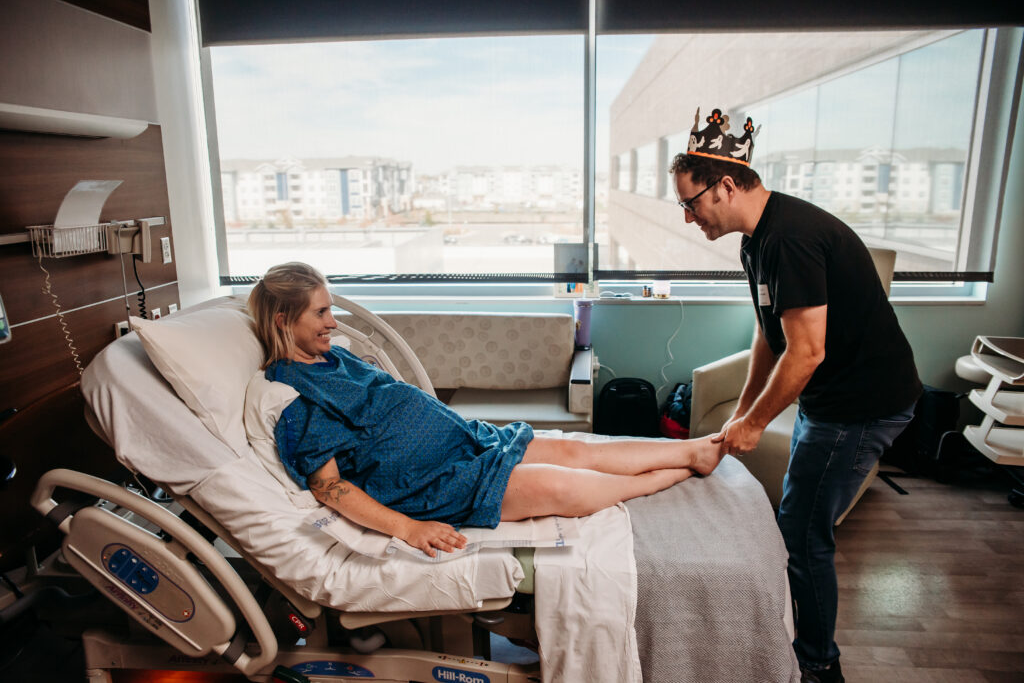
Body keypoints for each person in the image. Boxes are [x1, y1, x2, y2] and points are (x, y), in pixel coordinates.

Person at [670, 108, 922, 683]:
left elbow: (806, 353)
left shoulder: (791, 238)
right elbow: (770, 331)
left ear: (726, 185)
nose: (688, 217)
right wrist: (741, 410)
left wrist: (756, 426)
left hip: (863, 402)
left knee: (804, 535)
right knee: (797, 521)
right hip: (832, 396)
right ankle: (794, 640)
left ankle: (817, 665)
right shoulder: (756, 240)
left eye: (691, 203)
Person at [248, 262, 724, 558]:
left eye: (331, 309)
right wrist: (409, 529)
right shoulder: (294, 395)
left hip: (470, 443)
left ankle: (691, 449)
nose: (334, 322)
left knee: (574, 452)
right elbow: (330, 487)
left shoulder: (333, 356)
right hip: (434, 485)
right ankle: (680, 472)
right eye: (320, 314)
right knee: (560, 485)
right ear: (283, 320)